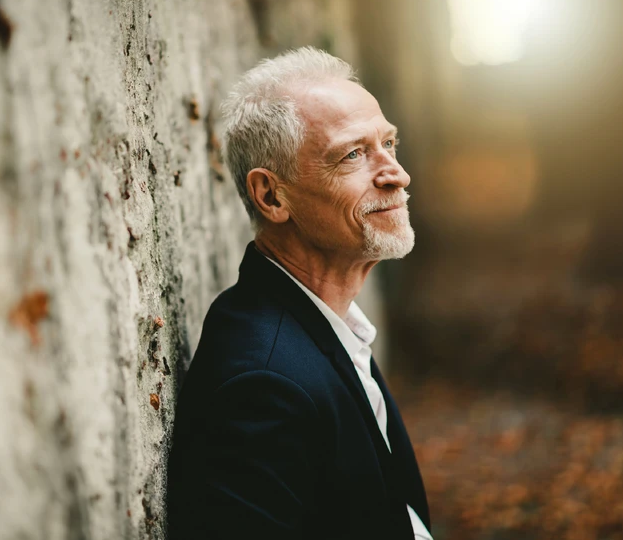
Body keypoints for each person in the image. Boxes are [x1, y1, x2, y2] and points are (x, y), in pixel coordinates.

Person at [167, 47, 431, 540]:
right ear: (272, 196)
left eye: (389, 143)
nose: (397, 173)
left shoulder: (326, 323)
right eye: (353, 154)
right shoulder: (262, 384)